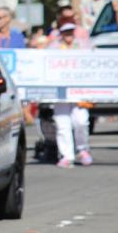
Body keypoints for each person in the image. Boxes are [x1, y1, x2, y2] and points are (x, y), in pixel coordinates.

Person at [47, 20, 94, 168]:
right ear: (61, 33)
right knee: (62, 123)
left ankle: (82, 149)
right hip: (60, 91)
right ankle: (67, 156)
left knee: (81, 121)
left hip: (79, 90)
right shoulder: (54, 47)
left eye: (70, 32)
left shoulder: (83, 45)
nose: (68, 35)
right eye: (65, 32)